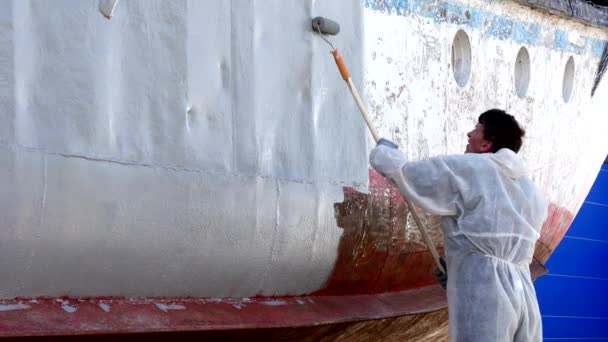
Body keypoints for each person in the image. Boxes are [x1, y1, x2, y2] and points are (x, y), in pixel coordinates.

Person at [370, 109, 547, 342]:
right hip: (524, 296)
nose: (469, 133)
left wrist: (385, 153)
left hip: (487, 298)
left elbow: (412, 176)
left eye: (477, 128)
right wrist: (459, 272)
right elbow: (492, 240)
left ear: (486, 144)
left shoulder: (473, 168)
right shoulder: (533, 193)